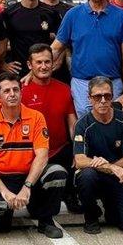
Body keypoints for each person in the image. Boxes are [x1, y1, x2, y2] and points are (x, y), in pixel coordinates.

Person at [0, 73, 68, 239]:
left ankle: (46, 220)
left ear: (21, 92)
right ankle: (5, 215)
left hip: (29, 177)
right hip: (3, 178)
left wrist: (27, 187)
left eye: (15, 90)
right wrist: (5, 192)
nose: (12, 94)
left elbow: (42, 155)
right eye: (6, 91)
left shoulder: (36, 117)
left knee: (56, 172)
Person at [52, 0, 123, 117]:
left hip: (112, 84)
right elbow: (56, 48)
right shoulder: (72, 15)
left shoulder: (122, 16)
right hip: (82, 85)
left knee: (112, 129)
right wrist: (33, 71)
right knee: (86, 131)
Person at [73, 76, 123, 235]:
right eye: (98, 96)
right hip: (96, 177)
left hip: (119, 179)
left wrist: (112, 169)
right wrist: (112, 168)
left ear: (112, 96)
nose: (103, 100)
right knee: (86, 176)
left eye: (108, 96)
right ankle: (91, 217)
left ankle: (111, 209)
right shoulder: (83, 124)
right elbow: (80, 161)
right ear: (90, 98)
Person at [21, 44, 79, 212]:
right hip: (32, 153)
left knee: (73, 152)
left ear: (53, 63)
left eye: (47, 62)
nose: (44, 66)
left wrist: (78, 150)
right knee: (35, 208)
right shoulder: (20, 91)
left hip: (58, 149)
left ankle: (70, 194)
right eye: (38, 62)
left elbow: (72, 123)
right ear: (29, 65)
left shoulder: (64, 89)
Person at [3, 0, 62, 80]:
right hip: (18, 71)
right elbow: (0, 42)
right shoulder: (8, 13)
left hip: (43, 70)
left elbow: (62, 39)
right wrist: (2, 64)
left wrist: (59, 60)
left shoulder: (50, 13)